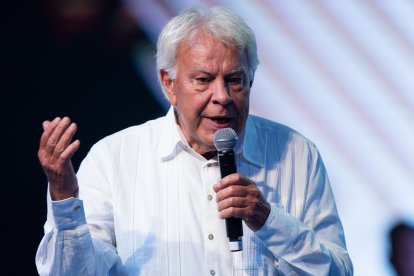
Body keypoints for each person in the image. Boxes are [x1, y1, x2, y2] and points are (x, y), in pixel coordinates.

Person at [36, 5, 353, 275]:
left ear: (251, 81)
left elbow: (338, 270)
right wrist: (64, 196)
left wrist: (269, 220)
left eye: (235, 80)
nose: (222, 96)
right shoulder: (113, 158)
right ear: (169, 83)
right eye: (203, 80)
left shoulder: (296, 154)